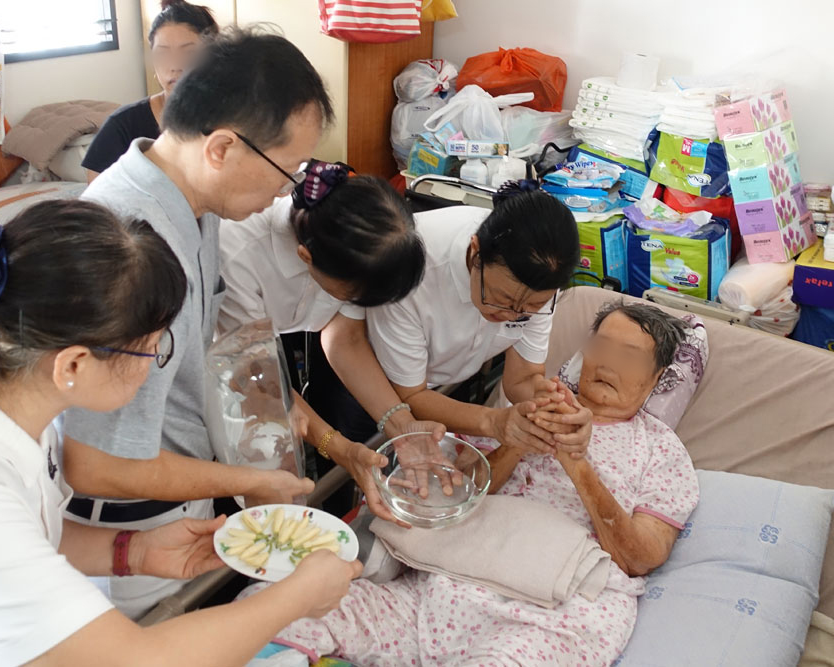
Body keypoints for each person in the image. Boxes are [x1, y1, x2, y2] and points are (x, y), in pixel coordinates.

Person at [0, 201, 362, 667]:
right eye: (152, 350)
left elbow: (28, 532)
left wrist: (133, 552)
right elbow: (134, 660)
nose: (158, 364)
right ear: (74, 364)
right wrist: (299, 594)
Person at [61, 28, 336, 619]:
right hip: (126, 512)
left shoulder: (191, 200)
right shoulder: (132, 244)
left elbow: (204, 348)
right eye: (287, 169)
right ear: (221, 148)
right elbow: (94, 462)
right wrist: (247, 481)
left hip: (174, 485)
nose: (291, 189)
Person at [257, 301, 699, 666]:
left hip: (549, 617)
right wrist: (517, 440)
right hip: (437, 591)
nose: (608, 362)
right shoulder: (522, 408)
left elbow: (640, 557)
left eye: (630, 355)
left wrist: (577, 463)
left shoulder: (661, 452)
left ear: (658, 377)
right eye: (602, 345)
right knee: (281, 612)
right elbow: (451, 489)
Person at [218, 161, 444, 526]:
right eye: (355, 297)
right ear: (306, 257)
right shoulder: (239, 251)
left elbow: (347, 339)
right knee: (264, 480)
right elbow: (258, 383)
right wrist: (339, 449)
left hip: (272, 336)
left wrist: (400, 423)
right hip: (224, 357)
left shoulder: (356, 247)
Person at [365, 181, 592, 459]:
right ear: (475, 253)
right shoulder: (411, 268)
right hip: (373, 382)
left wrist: (550, 406)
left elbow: (522, 378)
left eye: (531, 306)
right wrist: (494, 422)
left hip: (443, 387)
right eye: (500, 299)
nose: (511, 315)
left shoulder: (542, 276)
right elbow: (411, 394)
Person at [82, 0, 218, 181]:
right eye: (163, 53)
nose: (175, 65)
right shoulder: (123, 125)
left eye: (189, 53)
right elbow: (96, 200)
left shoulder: (237, 118)